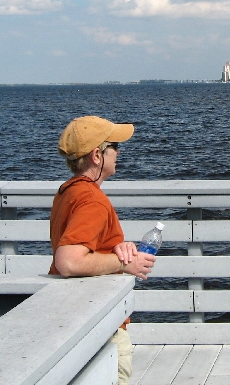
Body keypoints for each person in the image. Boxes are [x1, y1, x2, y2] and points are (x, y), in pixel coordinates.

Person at [49, 115, 157, 384]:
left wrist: (115, 248)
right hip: (100, 325)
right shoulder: (92, 200)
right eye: (115, 147)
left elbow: (81, 243)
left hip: (73, 316)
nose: (119, 153)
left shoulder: (68, 191)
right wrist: (122, 265)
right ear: (97, 155)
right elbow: (69, 261)